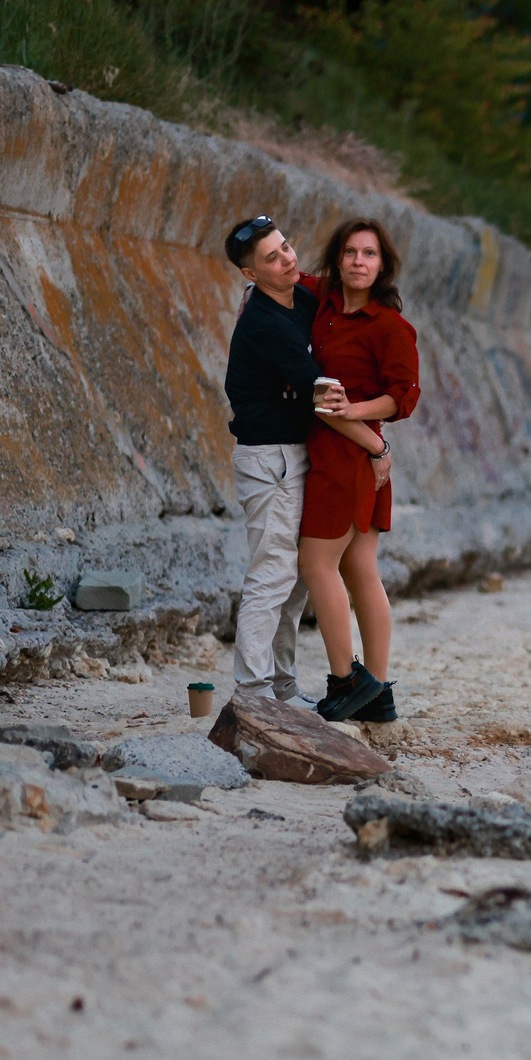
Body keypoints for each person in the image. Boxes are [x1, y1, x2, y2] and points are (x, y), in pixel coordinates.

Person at [298, 218, 421, 723]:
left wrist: (356, 413)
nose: (358, 262)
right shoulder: (323, 302)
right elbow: (286, 275)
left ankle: (347, 680)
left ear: (382, 266)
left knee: (317, 564)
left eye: (369, 254)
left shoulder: (389, 326)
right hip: (347, 452)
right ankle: (379, 693)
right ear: (338, 258)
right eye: (350, 252)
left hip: (349, 457)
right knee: (358, 567)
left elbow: (404, 396)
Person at [220, 215, 341, 703]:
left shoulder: (300, 296)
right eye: (272, 257)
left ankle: (284, 690)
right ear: (251, 275)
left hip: (296, 453)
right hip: (268, 460)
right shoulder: (265, 324)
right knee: (272, 576)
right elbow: (324, 392)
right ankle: (252, 692)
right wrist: (378, 442)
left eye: (287, 247)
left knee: (294, 586)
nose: (288, 259)